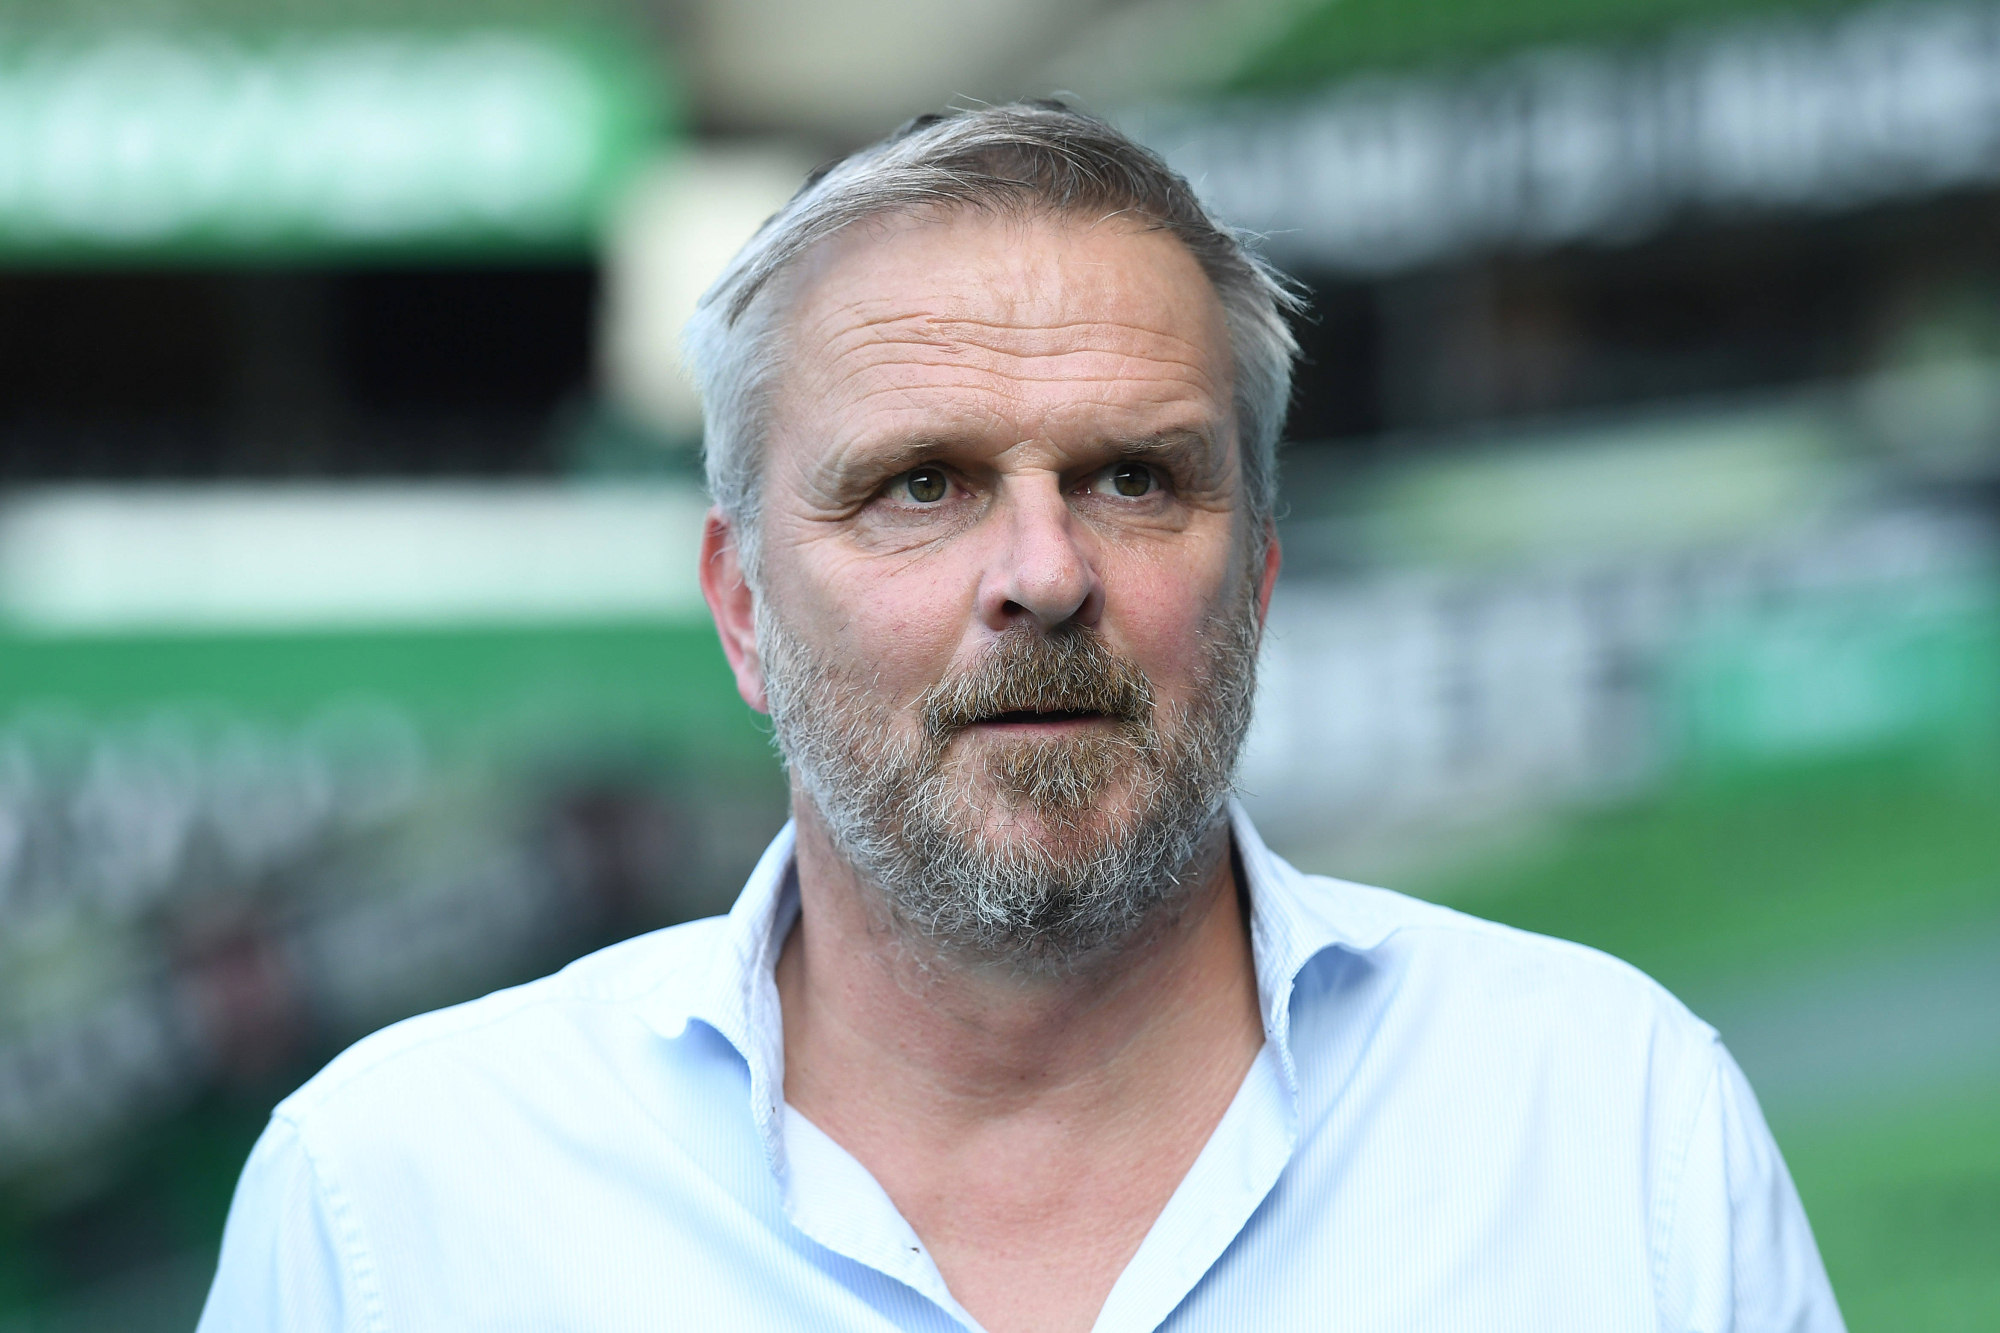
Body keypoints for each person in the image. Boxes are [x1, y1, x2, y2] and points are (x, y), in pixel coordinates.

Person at [197, 102, 1842, 1333]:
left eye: (1135, 477)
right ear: (743, 606)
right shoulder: (392, 1202)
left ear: (1260, 577)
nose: (1045, 573)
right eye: (922, 485)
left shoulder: (1616, 1128)